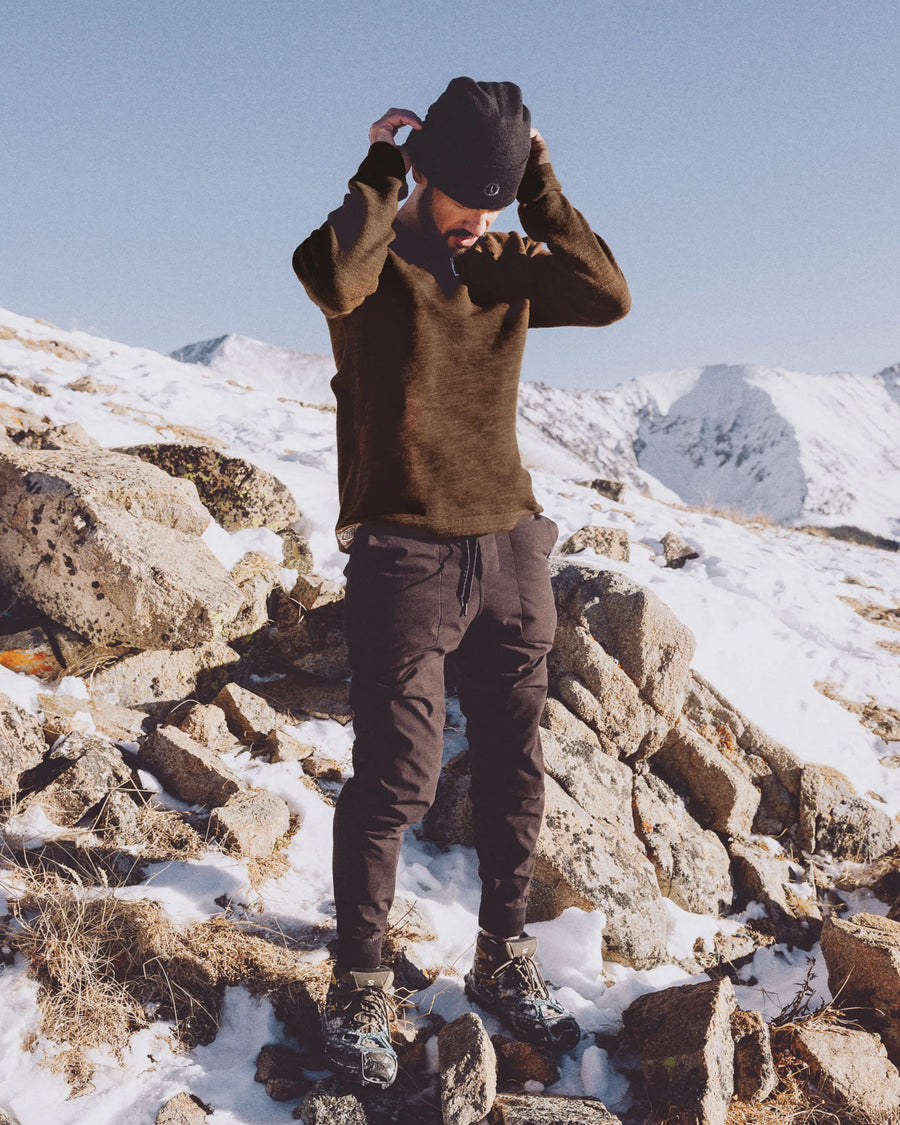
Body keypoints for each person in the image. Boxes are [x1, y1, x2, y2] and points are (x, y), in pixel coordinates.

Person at [293, 77, 630, 1088]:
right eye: (466, 195)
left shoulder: (508, 262)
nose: (479, 218)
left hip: (512, 550)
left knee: (515, 771)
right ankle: (359, 981)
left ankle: (503, 953)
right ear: (425, 170)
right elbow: (328, 277)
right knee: (398, 777)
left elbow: (608, 296)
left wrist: (541, 186)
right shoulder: (372, 257)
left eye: (497, 196)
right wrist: (381, 171)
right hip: (406, 554)